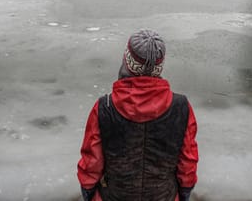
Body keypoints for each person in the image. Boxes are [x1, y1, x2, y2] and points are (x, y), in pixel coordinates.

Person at [77, 29, 198, 201]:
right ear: (159, 66)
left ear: (127, 61)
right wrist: (185, 192)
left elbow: (91, 162)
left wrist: (88, 192)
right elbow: (188, 162)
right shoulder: (181, 107)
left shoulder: (105, 107)